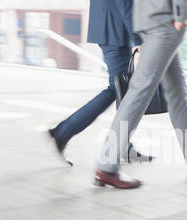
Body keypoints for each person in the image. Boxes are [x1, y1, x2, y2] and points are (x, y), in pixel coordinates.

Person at [94, 0, 187, 189]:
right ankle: (106, 166)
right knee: (138, 92)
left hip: (152, 20)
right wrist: (182, 15)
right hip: (165, 21)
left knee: (176, 94)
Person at [48, 0, 153, 165]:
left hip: (108, 28)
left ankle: (123, 145)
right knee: (117, 88)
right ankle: (64, 131)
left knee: (122, 90)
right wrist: (138, 39)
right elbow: (124, 3)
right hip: (115, 31)